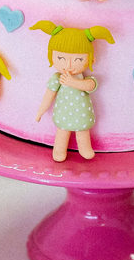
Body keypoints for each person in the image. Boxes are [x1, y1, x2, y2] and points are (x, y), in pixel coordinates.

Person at [32, 20, 115, 162]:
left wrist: (73, 82)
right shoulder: (57, 78)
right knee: (62, 131)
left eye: (78, 60)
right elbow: (49, 95)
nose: (69, 65)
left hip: (81, 112)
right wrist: (41, 111)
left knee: (82, 130)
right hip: (63, 112)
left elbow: (90, 86)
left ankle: (85, 149)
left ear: (91, 59)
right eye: (61, 58)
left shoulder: (86, 79)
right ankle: (59, 150)